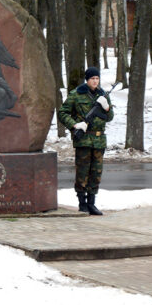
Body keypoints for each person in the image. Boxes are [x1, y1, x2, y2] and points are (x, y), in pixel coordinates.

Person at [58, 67, 114, 215]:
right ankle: (82, 203)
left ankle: (92, 203)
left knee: (96, 173)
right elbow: (62, 113)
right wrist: (75, 125)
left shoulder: (103, 95)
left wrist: (106, 107)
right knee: (82, 172)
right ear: (87, 80)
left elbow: (110, 117)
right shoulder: (76, 95)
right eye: (92, 79)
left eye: (97, 78)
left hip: (99, 140)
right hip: (83, 139)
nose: (95, 81)